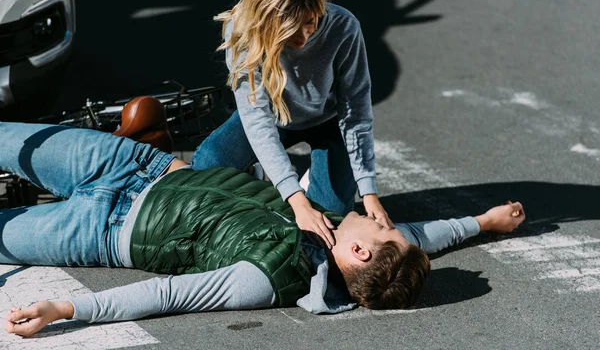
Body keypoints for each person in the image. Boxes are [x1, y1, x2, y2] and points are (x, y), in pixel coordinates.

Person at [0, 123, 525, 337]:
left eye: (383, 226)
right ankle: (148, 127)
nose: (382, 214)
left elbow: (165, 295)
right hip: (135, 164)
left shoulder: (270, 279)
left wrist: (66, 309)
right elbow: (423, 236)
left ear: (361, 252)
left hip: (98, 230)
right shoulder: (336, 230)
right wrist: (482, 222)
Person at [191, 0, 388, 249]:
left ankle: (303, 187)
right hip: (273, 117)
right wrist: (295, 200)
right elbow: (257, 120)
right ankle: (262, 176)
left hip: (328, 122)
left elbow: (356, 111)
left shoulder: (344, 27)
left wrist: (368, 190)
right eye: (290, 29)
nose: (303, 36)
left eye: (310, 22)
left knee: (327, 222)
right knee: (207, 168)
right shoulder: (244, 32)